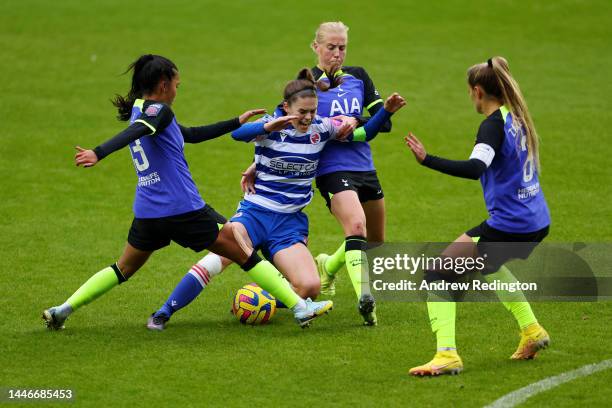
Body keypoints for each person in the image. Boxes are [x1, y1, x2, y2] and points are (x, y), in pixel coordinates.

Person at [42, 54, 334, 331]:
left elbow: (190, 134)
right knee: (242, 249)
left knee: (123, 269)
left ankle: (62, 310)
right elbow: (137, 131)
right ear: (163, 85)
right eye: (177, 85)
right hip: (183, 209)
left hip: (148, 212)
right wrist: (98, 152)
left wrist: (235, 122)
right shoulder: (158, 112)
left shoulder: (141, 110)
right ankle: (299, 307)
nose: (177, 91)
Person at [146, 68, 405, 330]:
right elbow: (238, 135)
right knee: (216, 260)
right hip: (255, 215)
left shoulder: (322, 129)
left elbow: (366, 133)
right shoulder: (271, 126)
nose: (307, 117)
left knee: (311, 286)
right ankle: (164, 312)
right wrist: (265, 126)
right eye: (302, 112)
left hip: (289, 224)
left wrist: (387, 111)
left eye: (313, 111)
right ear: (286, 106)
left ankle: (260, 299)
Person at [404, 56, 551, 376]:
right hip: (537, 220)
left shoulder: (492, 126)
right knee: (489, 264)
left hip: (511, 225)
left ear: (478, 91)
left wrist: (427, 159)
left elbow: (475, 169)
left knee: (439, 273)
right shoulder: (516, 116)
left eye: (469, 92)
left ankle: (446, 355)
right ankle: (532, 330)